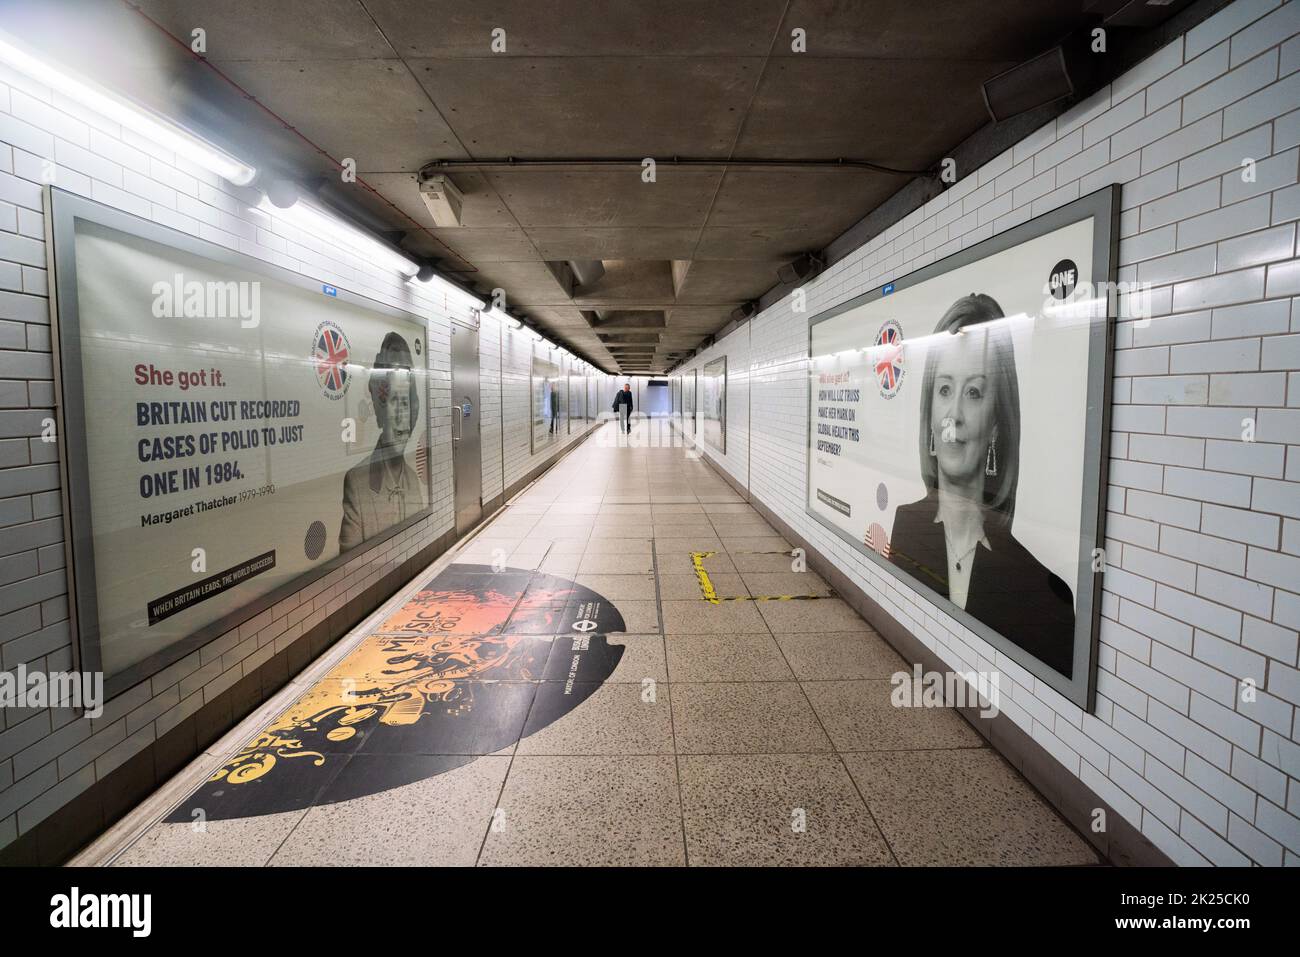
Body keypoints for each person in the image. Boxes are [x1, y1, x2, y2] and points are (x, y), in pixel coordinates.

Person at [877, 293, 1075, 677]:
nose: (954, 416)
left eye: (974, 393)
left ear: (997, 423)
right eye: (945, 390)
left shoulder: (1041, 592)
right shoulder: (905, 527)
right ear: (930, 412)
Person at [340, 332, 426, 552]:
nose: (400, 416)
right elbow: (350, 565)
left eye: (405, 403)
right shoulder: (358, 484)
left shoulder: (413, 482)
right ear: (379, 410)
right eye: (393, 402)